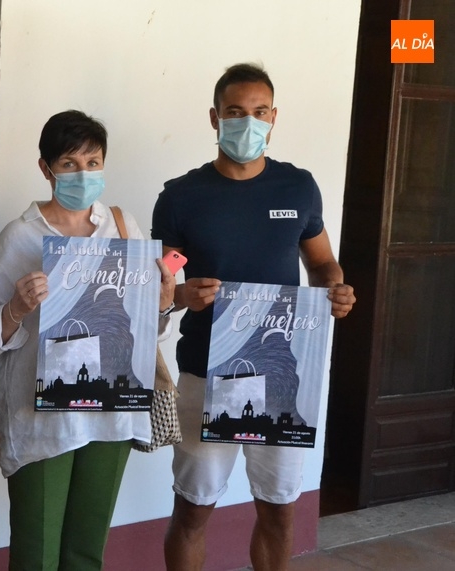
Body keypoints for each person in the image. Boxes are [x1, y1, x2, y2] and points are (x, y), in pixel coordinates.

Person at [151, 63, 357, 571]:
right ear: (215, 118)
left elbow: (322, 263)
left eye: (259, 112)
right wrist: (183, 295)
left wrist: (334, 288)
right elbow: (162, 283)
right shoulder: (181, 197)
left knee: (279, 510)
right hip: (206, 370)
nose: (248, 122)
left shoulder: (297, 188)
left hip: (281, 374)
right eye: (236, 112)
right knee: (193, 509)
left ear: (274, 117)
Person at [0, 110, 176, 570]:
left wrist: (162, 304)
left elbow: (144, 330)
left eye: (92, 162)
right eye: (69, 163)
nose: (83, 174)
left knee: (86, 550)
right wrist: (16, 308)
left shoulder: (122, 227)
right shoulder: (21, 236)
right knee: (37, 554)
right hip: (43, 421)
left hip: (112, 415)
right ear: (46, 169)